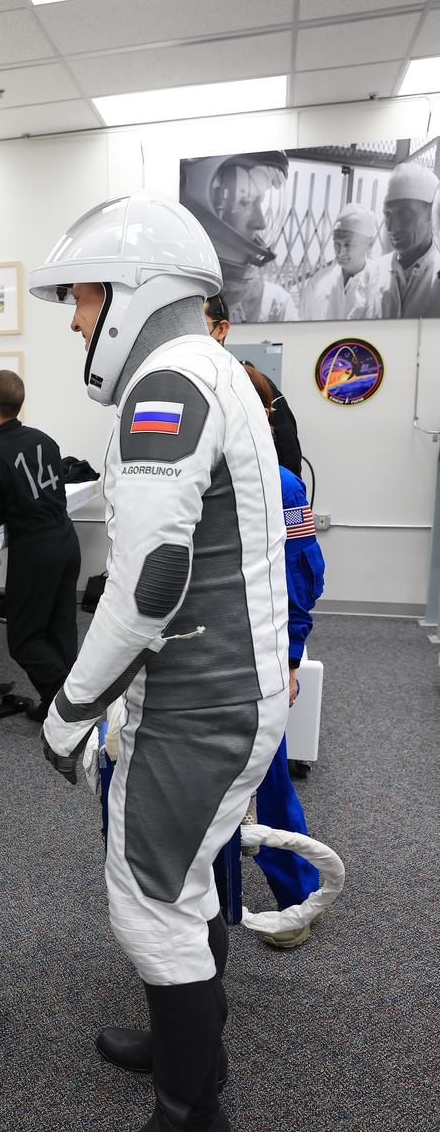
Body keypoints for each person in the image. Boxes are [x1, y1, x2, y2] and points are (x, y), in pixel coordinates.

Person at [28, 192, 289, 1132]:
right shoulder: (212, 370)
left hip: (201, 698)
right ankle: (188, 1038)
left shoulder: (164, 387)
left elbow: (146, 587)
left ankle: (194, 1127)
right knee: (182, 885)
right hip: (229, 684)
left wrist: (68, 710)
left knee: (146, 899)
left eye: (86, 298)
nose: (78, 320)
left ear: (131, 293)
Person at [243, 365, 325, 947]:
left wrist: (292, 655)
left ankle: (297, 897)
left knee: (268, 777)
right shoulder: (192, 478)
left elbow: (303, 574)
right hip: (195, 650)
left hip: (257, 653)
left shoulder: (283, 486)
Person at [0, 369, 81, 722]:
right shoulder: (45, 440)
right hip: (66, 538)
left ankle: (70, 703)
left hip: (35, 550)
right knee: (61, 628)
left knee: (23, 639)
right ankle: (58, 704)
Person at [182, 150, 297, 322]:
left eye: (259, 202)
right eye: (245, 201)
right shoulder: (172, 301)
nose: (261, 223)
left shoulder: (273, 303)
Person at [204, 292, 303, 476]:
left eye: (198, 326)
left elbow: (289, 462)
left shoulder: (253, 385)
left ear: (221, 329)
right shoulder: (169, 384)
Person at [378, 162, 440, 319]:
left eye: (405, 215)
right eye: (388, 214)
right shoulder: (372, 274)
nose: (392, 226)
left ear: (431, 215)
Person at [299, 203, 378, 320]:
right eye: (337, 243)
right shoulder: (318, 282)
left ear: (370, 244)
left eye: (348, 244)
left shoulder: (377, 285)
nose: (340, 252)